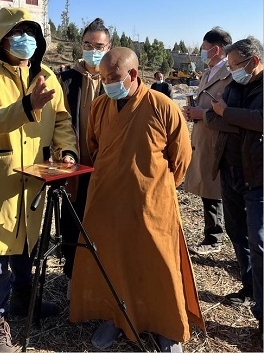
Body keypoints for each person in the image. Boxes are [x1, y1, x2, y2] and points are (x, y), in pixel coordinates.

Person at [69, 47, 205, 352]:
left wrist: (155, 186)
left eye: (112, 78)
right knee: (112, 258)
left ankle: (166, 325)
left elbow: (181, 158)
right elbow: (94, 146)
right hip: (108, 197)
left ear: (132, 74)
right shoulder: (100, 105)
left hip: (151, 201)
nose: (107, 84)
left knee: (158, 261)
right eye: (103, 78)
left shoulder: (162, 105)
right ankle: (116, 317)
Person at [0, 7, 78, 353]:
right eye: (17, 33)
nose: (24, 40)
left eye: (30, 33)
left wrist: (66, 151)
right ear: (2, 38)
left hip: (34, 178)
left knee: (27, 244)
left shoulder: (46, 75)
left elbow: (61, 119)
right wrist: (27, 105)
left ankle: (24, 300)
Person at [205, 36, 263, 332]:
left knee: (259, 241)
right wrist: (242, 122)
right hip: (230, 171)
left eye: (235, 65)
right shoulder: (234, 86)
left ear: (254, 62)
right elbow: (210, 117)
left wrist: (228, 114)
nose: (231, 70)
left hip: (258, 176)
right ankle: (249, 287)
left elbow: (261, 119)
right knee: (237, 233)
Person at [58, 18, 111, 288]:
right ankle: (72, 275)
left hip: (106, 167)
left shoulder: (114, 80)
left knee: (103, 223)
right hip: (75, 166)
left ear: (109, 47)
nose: (93, 50)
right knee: (72, 220)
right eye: (88, 44)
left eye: (99, 46)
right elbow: (59, 122)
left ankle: (101, 278)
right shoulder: (66, 79)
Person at [183, 27, 232, 255]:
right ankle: (212, 235)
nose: (201, 52)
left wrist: (202, 114)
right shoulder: (207, 73)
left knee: (217, 190)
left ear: (216, 49)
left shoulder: (230, 75)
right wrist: (193, 112)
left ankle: (216, 238)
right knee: (207, 188)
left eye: (204, 48)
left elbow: (229, 111)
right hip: (203, 137)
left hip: (218, 139)